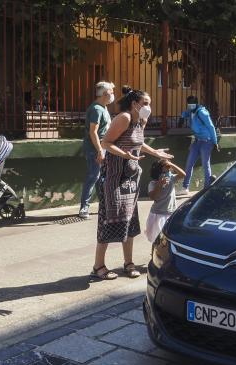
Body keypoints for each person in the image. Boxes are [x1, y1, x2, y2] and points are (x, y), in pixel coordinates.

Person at [91, 86, 173, 281]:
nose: (148, 107)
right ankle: (98, 266)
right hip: (114, 177)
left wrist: (156, 153)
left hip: (130, 178)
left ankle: (128, 263)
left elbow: (138, 143)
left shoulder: (140, 121)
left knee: (129, 219)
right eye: (145, 103)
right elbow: (106, 143)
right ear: (134, 104)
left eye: (149, 104)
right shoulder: (124, 118)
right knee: (109, 219)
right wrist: (124, 154)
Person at [79, 81, 115, 219]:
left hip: (101, 147)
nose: (113, 95)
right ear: (105, 94)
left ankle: (104, 204)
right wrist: (99, 150)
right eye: (111, 92)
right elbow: (93, 132)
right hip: (95, 149)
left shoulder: (102, 107)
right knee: (93, 176)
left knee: (100, 177)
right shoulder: (96, 109)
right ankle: (84, 208)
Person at [178, 95, 218, 195]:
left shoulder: (202, 112)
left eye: (192, 103)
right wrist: (182, 117)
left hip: (207, 141)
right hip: (197, 141)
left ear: (196, 103)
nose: (190, 105)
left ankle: (207, 187)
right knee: (189, 163)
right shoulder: (191, 111)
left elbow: (211, 127)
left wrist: (215, 142)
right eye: (189, 103)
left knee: (205, 164)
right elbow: (185, 113)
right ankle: (185, 187)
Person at [145, 159, 186, 242]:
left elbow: (183, 174)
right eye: (164, 171)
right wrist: (160, 185)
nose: (167, 173)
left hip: (171, 212)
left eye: (168, 169)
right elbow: (153, 197)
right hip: (158, 214)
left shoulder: (171, 178)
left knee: (170, 238)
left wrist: (172, 164)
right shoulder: (153, 183)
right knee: (157, 239)